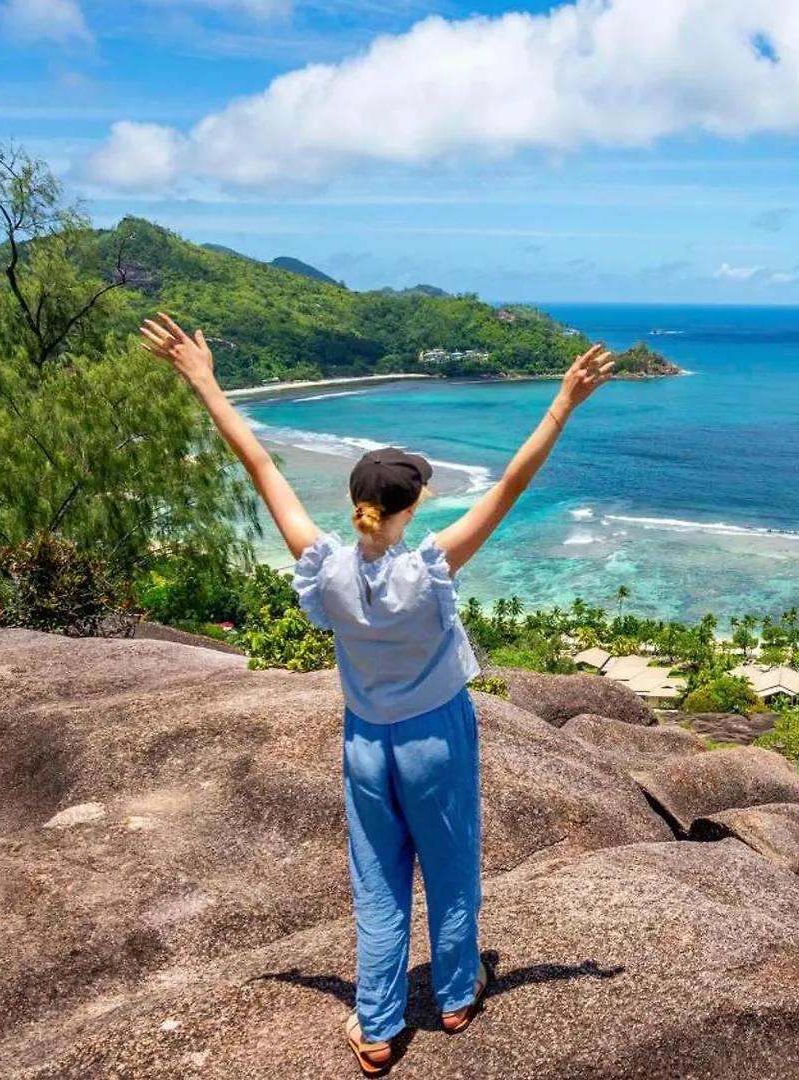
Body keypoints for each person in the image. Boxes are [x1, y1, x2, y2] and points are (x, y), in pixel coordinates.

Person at [140, 313, 613, 1076]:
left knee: (379, 882)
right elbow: (516, 483)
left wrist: (204, 381)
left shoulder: (323, 566)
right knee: (452, 864)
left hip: (367, 741)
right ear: (412, 504)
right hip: (436, 733)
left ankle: (379, 1024)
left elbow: (261, 466)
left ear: (357, 502)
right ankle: (457, 994)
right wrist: (563, 400)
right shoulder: (429, 567)